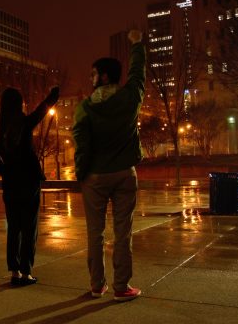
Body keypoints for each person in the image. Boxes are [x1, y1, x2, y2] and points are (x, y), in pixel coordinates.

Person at [72, 29, 146, 302]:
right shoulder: (129, 99)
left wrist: (82, 174)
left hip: (95, 176)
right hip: (125, 174)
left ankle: (96, 285)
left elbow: (82, 147)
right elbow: (138, 74)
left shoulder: (84, 109)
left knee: (95, 233)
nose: (90, 78)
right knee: (123, 232)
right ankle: (121, 287)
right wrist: (137, 45)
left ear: (103, 76)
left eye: (93, 74)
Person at [0, 86, 60, 286]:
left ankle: (14, 271)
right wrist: (52, 97)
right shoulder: (22, 123)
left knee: (14, 228)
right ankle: (26, 271)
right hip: (28, 181)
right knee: (29, 228)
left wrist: (6, 172)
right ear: (19, 103)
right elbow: (39, 113)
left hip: (10, 183)